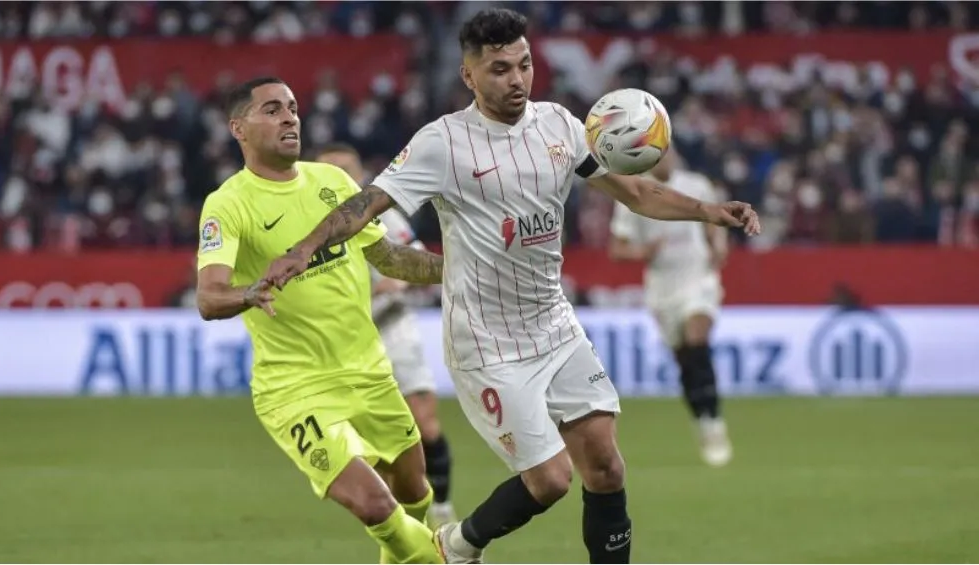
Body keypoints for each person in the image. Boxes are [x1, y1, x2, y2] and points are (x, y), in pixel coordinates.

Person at [260, 9, 760, 564]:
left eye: (524, 65)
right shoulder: (442, 143)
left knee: (605, 465)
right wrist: (302, 249)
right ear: (469, 75)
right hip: (486, 340)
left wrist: (709, 211)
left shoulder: (560, 126)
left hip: (553, 322)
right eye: (500, 69)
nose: (517, 79)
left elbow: (637, 193)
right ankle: (458, 545)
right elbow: (366, 204)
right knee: (550, 480)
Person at [194, 77, 445, 564]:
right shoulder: (228, 204)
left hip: (369, 371)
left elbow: (390, 258)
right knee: (375, 505)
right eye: (272, 110)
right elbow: (209, 297)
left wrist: (461, 269)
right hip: (295, 387)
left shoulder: (333, 182)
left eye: (292, 107)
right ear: (238, 128)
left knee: (415, 492)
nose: (289, 117)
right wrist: (250, 292)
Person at [311, 142, 459, 527]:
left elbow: (412, 255)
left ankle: (442, 507)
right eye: (330, 169)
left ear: (361, 174)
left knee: (424, 422)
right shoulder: (306, 220)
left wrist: (398, 283)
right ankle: (399, 520)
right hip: (344, 342)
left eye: (346, 169)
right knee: (373, 442)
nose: (340, 177)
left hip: (392, 327)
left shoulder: (382, 215)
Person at [609, 147, 733, 467]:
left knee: (697, 336)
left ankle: (715, 420)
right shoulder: (632, 192)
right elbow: (617, 249)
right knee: (685, 360)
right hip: (663, 289)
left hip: (698, 277)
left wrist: (718, 246)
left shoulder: (696, 185)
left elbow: (712, 223)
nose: (666, 158)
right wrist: (643, 252)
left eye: (669, 152)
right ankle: (701, 418)